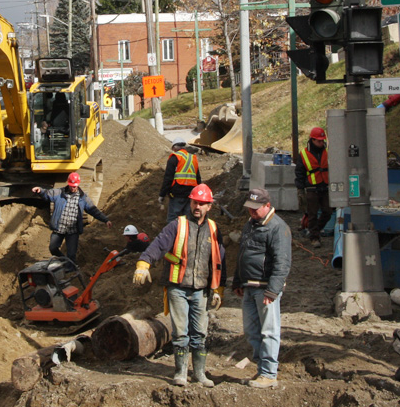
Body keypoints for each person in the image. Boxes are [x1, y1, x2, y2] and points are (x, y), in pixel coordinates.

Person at [133, 184, 225, 388]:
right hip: (178, 286)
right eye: (195, 202)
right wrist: (144, 263)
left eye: (202, 203)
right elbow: (159, 244)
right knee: (181, 332)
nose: (197, 207)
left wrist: (218, 289)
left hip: (201, 289)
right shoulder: (178, 225)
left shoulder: (213, 229)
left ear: (209, 206)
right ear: (190, 203)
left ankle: (199, 373)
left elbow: (219, 261)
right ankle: (181, 372)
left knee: (200, 333)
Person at [232, 187, 292, 390]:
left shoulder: (277, 227)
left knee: (269, 330)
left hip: (265, 288)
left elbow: (282, 262)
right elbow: (243, 253)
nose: (252, 212)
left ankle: (268, 373)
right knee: (251, 331)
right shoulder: (250, 224)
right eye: (250, 208)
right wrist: (238, 280)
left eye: (256, 209)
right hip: (250, 286)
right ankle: (262, 368)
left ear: (267, 205)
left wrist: (273, 290)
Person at [32, 172, 112, 262]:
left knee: (71, 254)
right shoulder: (59, 192)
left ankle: (71, 270)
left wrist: (105, 220)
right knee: (53, 248)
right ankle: (65, 261)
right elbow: (48, 194)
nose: (73, 188)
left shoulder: (83, 198)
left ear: (78, 184)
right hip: (59, 228)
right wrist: (40, 191)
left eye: (75, 186)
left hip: (73, 231)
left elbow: (93, 210)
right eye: (71, 186)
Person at [296, 126, 329, 247]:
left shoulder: (327, 151)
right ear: (312, 140)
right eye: (319, 141)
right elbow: (299, 172)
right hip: (312, 188)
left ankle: (314, 230)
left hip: (325, 187)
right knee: (312, 214)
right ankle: (314, 238)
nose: (321, 143)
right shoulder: (304, 154)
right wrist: (300, 189)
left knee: (328, 212)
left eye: (322, 140)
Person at [159, 141, 201, 223]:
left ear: (174, 148)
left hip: (177, 193)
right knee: (189, 219)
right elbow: (198, 178)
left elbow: (168, 178)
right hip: (191, 193)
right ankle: (188, 235)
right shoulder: (192, 158)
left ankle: (173, 235)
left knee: (173, 219)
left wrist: (162, 194)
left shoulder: (174, 157)